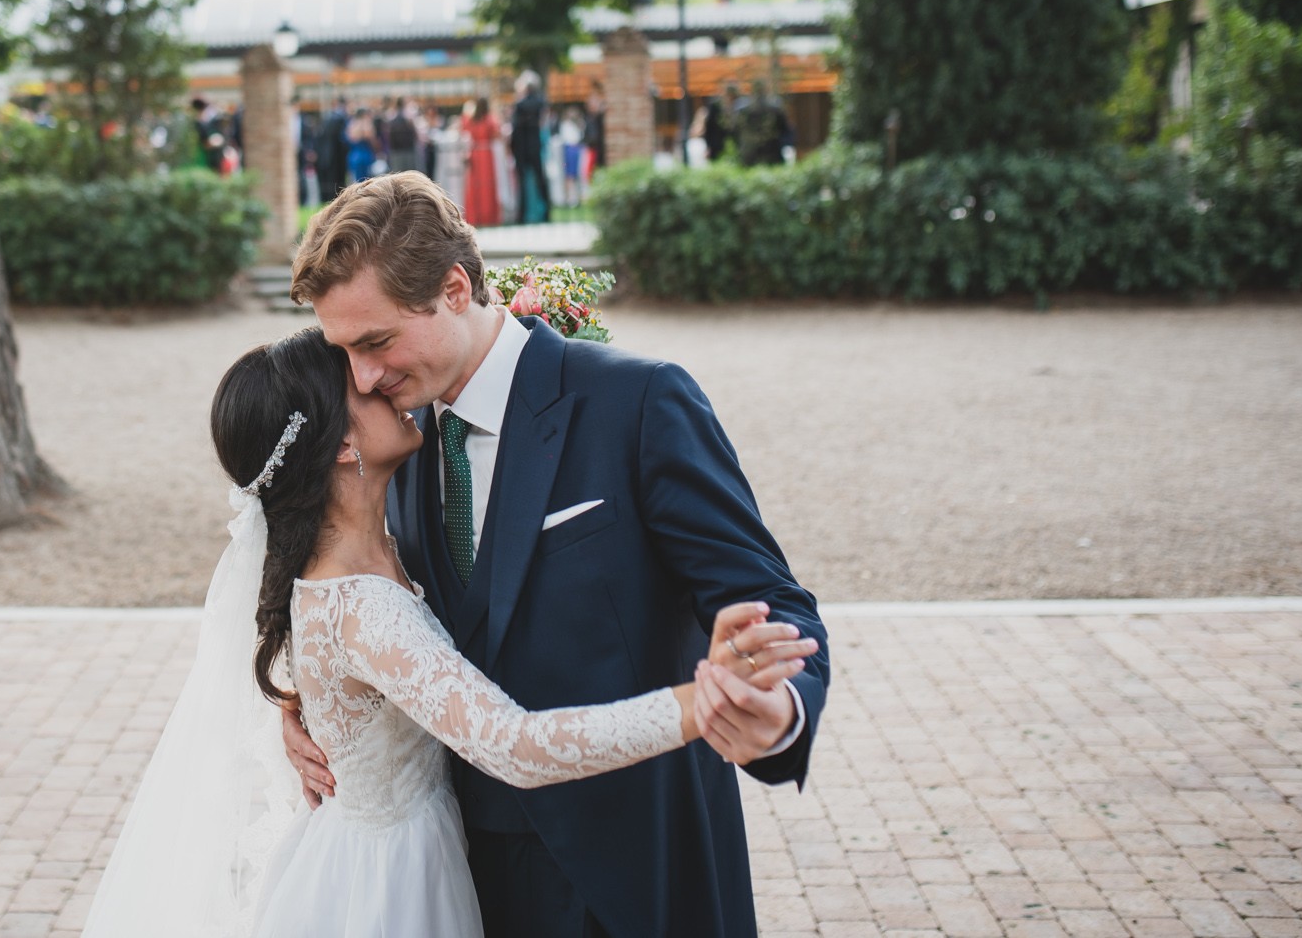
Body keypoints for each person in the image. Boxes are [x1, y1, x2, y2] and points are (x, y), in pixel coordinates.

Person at [80, 326, 809, 938]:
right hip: (387, 891)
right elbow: (514, 743)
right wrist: (697, 703)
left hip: (454, 851)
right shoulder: (363, 603)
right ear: (338, 445)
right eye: (359, 382)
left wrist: (316, 704)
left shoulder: (375, 524)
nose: (383, 379)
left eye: (375, 354)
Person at [283, 173, 831, 938]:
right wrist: (308, 708)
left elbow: (775, 603)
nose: (365, 378)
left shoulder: (637, 403)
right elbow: (344, 593)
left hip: (644, 871)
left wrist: (780, 711)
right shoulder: (390, 444)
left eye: (376, 341)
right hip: (466, 884)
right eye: (345, 352)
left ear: (453, 287)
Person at [509, 72, 551, 225]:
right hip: (536, 146)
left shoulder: (519, 105)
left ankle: (522, 215)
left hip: (521, 148)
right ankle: (546, 213)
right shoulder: (541, 103)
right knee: (541, 180)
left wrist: (512, 148)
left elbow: (515, 129)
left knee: (522, 183)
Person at [732, 79, 795, 167]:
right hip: (768, 153)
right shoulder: (775, 109)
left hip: (752, 153)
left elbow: (735, 132)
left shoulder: (743, 110)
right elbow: (785, 130)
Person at [460, 97, 502, 228]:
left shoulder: (470, 119)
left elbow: (463, 130)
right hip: (486, 154)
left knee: (475, 185)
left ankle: (475, 215)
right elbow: (497, 134)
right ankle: (488, 215)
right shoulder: (490, 119)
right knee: (487, 185)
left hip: (475, 152)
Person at [385, 97, 422, 178]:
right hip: (408, 150)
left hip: (396, 150)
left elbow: (387, 134)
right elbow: (415, 133)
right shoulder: (409, 115)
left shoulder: (390, 115)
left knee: (397, 175)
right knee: (410, 175)